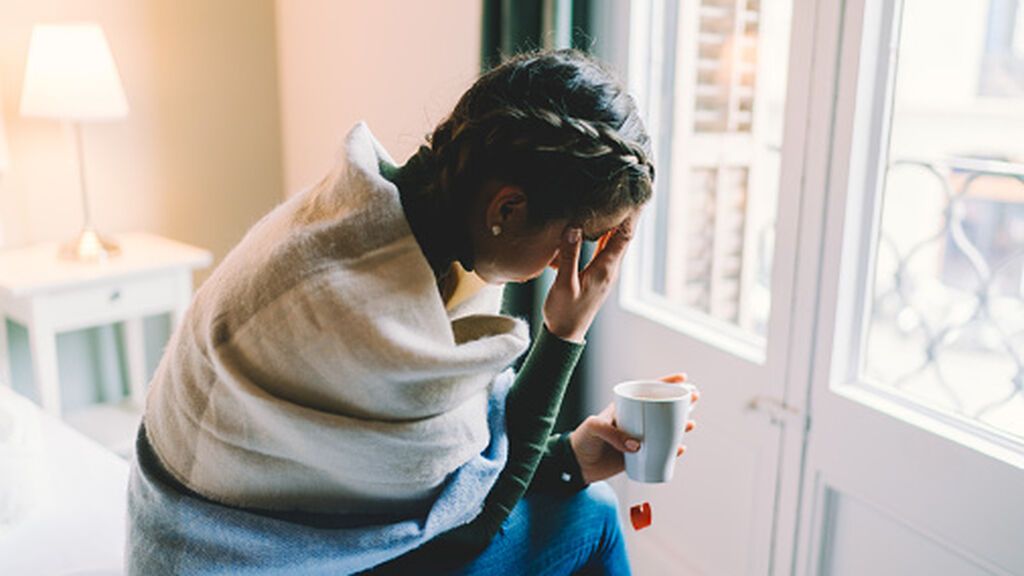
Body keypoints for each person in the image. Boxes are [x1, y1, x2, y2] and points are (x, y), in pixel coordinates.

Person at [126, 48, 697, 576]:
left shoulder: (375, 218)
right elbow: (465, 532)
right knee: (593, 516)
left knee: (581, 493)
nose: (564, 266)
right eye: (577, 240)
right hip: (223, 558)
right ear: (509, 207)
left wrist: (567, 459)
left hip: (199, 535)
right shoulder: (370, 316)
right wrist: (565, 332)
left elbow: (447, 473)